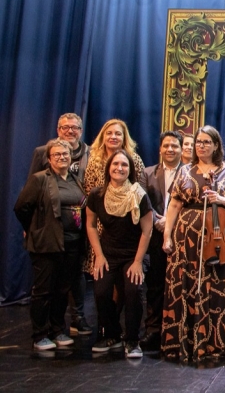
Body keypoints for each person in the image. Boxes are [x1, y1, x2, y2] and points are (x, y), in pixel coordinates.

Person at [161, 126, 225, 362]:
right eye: (198, 141)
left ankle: (216, 343)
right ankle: (186, 343)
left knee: (220, 287)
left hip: (220, 239)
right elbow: (175, 205)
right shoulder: (185, 171)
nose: (201, 146)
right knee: (188, 286)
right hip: (187, 239)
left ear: (216, 145)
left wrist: (220, 198)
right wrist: (167, 235)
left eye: (207, 142)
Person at [15, 139, 86, 351]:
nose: (62, 157)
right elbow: (21, 207)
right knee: (43, 291)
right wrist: (36, 227)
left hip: (72, 245)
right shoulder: (40, 179)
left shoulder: (75, 179)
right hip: (47, 245)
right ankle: (40, 335)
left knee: (62, 290)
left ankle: (57, 330)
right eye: (57, 154)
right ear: (49, 158)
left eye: (65, 154)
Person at [26, 113, 92, 336]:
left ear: (81, 131)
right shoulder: (41, 163)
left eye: (75, 128)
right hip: (49, 235)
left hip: (76, 235)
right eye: (65, 127)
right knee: (46, 287)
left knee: (69, 282)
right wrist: (33, 227)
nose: (70, 131)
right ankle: (42, 333)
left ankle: (67, 323)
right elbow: (26, 202)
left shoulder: (86, 161)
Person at [85, 150, 153, 358]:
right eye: (116, 164)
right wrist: (99, 255)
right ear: (109, 168)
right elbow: (90, 225)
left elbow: (147, 230)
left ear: (130, 170)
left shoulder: (139, 194)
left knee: (133, 292)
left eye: (124, 165)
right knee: (101, 292)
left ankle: (132, 340)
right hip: (108, 253)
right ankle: (111, 334)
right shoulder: (97, 194)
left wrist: (138, 262)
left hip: (134, 254)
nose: (119, 168)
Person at [140, 131, 183, 350]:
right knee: (155, 286)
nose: (170, 149)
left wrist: (170, 222)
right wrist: (159, 220)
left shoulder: (189, 173)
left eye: (175, 146)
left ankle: (176, 331)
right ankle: (153, 330)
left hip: (183, 237)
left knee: (179, 287)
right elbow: (142, 202)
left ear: (182, 149)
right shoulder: (147, 173)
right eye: (166, 146)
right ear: (160, 149)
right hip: (155, 236)